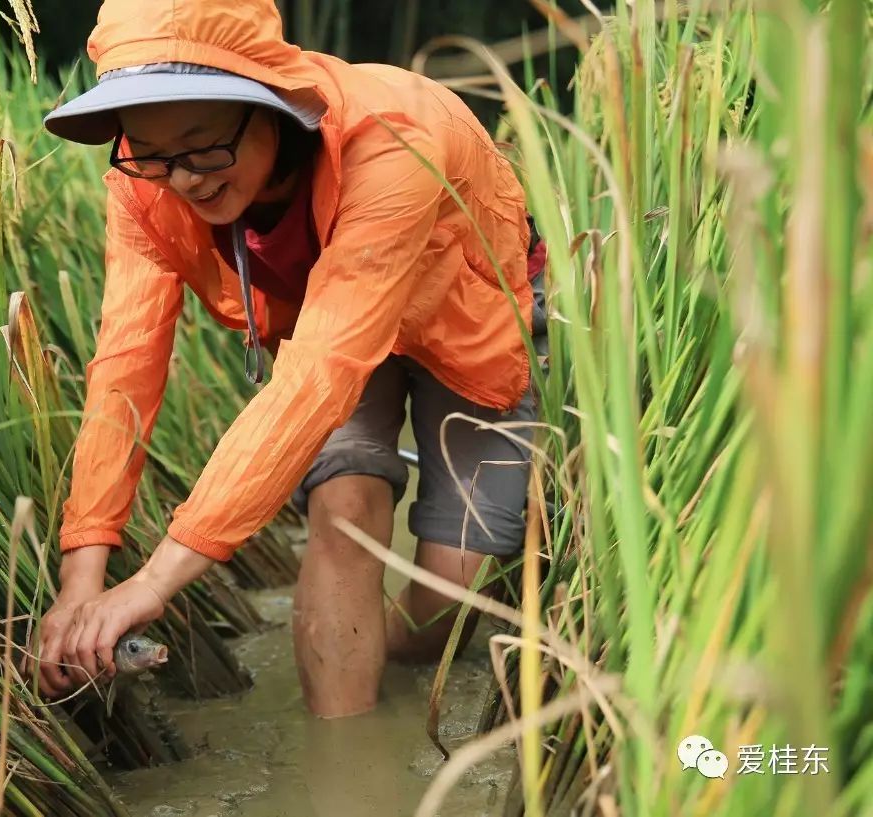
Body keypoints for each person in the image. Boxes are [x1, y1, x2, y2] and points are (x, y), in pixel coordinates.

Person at [30, 0, 546, 719]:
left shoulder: (394, 139)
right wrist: (80, 575)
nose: (183, 179)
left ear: (271, 105)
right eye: (149, 150)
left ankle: (386, 640)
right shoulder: (143, 185)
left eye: (204, 145)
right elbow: (124, 366)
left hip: (466, 315)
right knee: (343, 505)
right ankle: (344, 765)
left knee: (441, 610)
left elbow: (321, 375)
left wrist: (152, 583)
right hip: (320, 319)